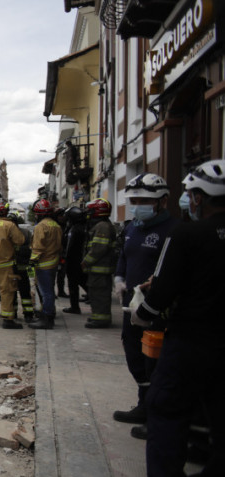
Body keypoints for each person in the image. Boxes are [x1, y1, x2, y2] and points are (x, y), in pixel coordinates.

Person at [131, 160, 225, 476]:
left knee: (166, 409)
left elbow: (162, 289)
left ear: (199, 198)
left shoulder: (185, 233)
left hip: (191, 341)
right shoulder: (138, 230)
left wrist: (142, 314)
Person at [111, 173, 178, 439]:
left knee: (157, 361)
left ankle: (157, 414)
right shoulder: (132, 228)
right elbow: (124, 258)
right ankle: (143, 403)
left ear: (162, 202)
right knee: (134, 352)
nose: (137, 205)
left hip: (158, 309)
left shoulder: (172, 231)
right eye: (134, 200)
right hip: (132, 306)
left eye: (143, 201)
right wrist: (119, 277)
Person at [81, 198, 116, 328]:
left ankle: (101, 319)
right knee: (95, 294)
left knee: (100, 295)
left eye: (90, 211)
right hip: (98, 269)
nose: (88, 213)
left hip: (100, 268)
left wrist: (86, 262)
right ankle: (97, 316)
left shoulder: (102, 226)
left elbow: (98, 249)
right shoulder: (102, 225)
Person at [28, 199, 63, 330]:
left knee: (46, 293)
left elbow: (37, 247)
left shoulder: (40, 226)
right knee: (49, 291)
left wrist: (32, 262)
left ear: (40, 214)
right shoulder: (56, 225)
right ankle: (48, 314)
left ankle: (47, 319)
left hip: (43, 264)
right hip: (53, 262)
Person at [62, 206, 88, 314]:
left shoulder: (75, 229)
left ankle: (75, 307)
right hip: (79, 261)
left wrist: (65, 258)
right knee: (81, 281)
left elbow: (70, 246)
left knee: (73, 284)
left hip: (74, 261)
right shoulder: (82, 227)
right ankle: (88, 298)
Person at [11, 213, 36, 322]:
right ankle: (24, 314)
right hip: (19, 268)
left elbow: (30, 249)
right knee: (16, 293)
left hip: (18, 268)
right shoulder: (25, 233)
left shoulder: (24, 233)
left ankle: (26, 314)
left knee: (21, 292)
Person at [54, 208, 70, 298]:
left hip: (63, 252)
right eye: (61, 216)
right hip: (55, 253)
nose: (63, 217)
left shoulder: (66, 225)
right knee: (53, 274)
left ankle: (61, 291)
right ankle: (52, 291)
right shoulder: (56, 226)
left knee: (62, 274)